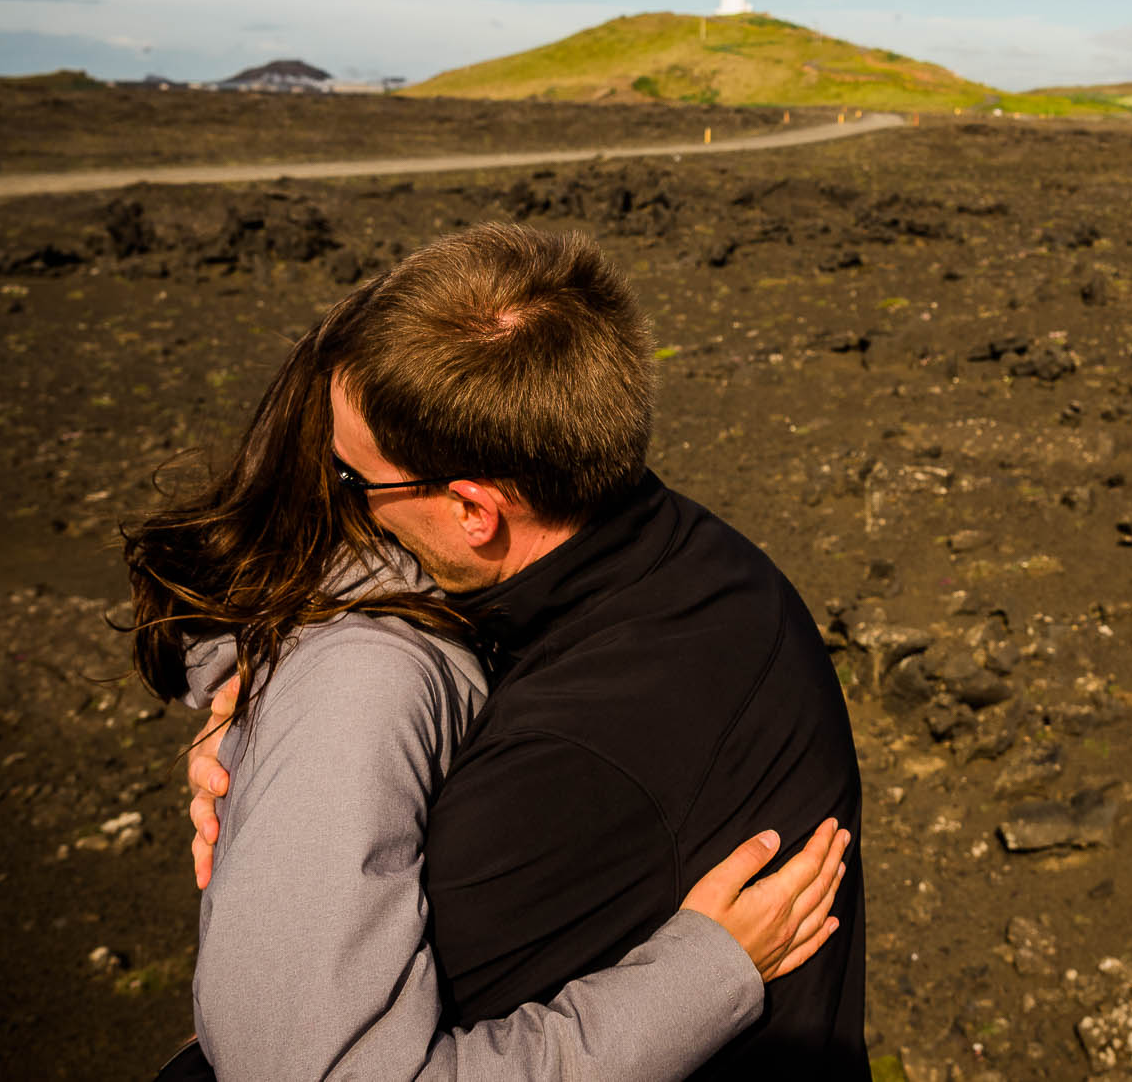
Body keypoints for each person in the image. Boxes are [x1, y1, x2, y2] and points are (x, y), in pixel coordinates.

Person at [165, 223, 869, 1078]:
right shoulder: (704, 567)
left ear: (474, 510)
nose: (342, 499)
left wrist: (703, 973)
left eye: (355, 480)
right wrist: (259, 695)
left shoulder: (569, 762)